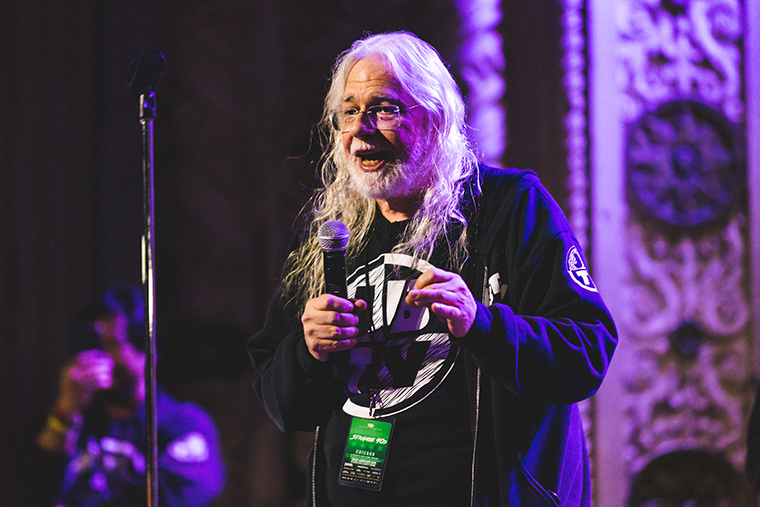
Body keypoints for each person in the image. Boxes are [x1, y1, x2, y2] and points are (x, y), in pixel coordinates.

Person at [247, 31, 617, 506]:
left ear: (436, 119)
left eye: (383, 108)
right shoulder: (329, 236)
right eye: (349, 111)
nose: (360, 128)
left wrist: (481, 324)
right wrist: (308, 351)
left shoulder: (507, 209)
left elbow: (586, 350)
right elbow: (281, 403)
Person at [32, 284, 225, 507]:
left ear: (146, 351)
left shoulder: (184, 424)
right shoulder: (73, 423)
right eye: (93, 344)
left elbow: (172, 499)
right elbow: (31, 490)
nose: (100, 357)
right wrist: (66, 412)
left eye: (112, 345)